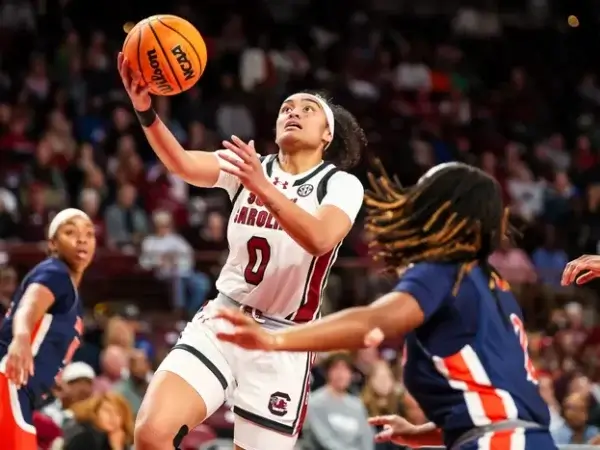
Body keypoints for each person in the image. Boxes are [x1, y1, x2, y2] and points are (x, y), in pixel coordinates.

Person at [117, 53, 366, 450]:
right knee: (151, 432)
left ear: (327, 136)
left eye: (307, 109)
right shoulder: (251, 167)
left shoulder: (340, 185)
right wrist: (145, 110)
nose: (293, 112)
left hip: (284, 339)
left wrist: (262, 188)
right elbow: (181, 163)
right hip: (224, 319)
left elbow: (320, 238)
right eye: (287, 107)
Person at [215, 162, 558, 450]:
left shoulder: (446, 270)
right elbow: (500, 400)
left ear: (440, 208)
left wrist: (275, 340)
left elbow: (373, 324)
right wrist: (422, 435)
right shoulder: (494, 285)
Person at [0, 208, 96, 450]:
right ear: (52, 244)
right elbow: (28, 307)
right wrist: (21, 337)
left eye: (89, 233)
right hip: (10, 381)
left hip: (23, 390)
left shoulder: (72, 295)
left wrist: (50, 377)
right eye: (71, 232)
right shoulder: (55, 272)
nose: (82, 239)